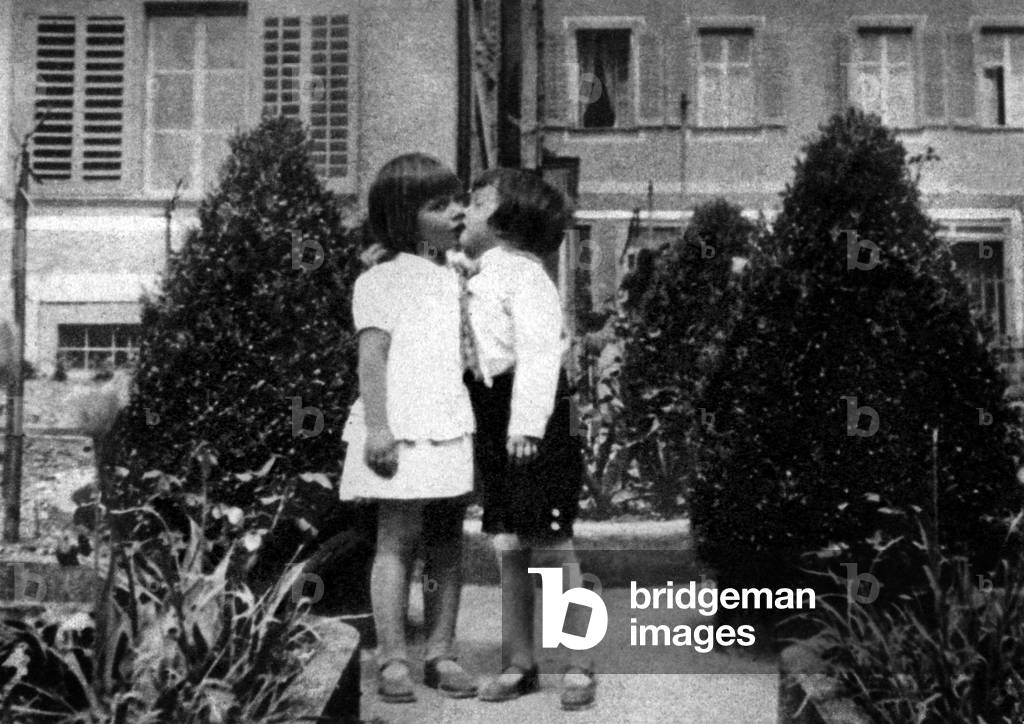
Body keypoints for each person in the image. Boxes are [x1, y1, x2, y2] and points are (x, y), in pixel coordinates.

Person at [339, 153, 477, 703]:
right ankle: (393, 659)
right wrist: (378, 427)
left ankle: (441, 652)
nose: (457, 212)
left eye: (459, 201)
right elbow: (371, 359)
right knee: (395, 540)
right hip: (399, 425)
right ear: (402, 216)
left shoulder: (454, 276)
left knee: (447, 543)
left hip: (447, 423)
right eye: (439, 205)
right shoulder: (380, 281)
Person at [458, 168, 596, 711]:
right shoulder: (478, 273)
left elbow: (541, 356)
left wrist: (526, 427)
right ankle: (520, 662)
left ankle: (579, 663)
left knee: (553, 544)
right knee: (509, 542)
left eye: (476, 202)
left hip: (534, 420)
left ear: (505, 220)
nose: (464, 210)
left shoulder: (527, 276)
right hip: (498, 414)